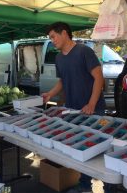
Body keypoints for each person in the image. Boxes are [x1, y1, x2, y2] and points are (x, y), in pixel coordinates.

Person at [42, 22, 106, 192]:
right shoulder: (58, 58)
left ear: (64, 33)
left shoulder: (84, 51)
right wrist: (50, 94)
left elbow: (99, 77)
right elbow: (62, 81)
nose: (52, 41)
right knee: (81, 147)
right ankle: (85, 186)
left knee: (99, 151)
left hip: (94, 111)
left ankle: (110, 187)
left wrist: (91, 104)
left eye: (53, 37)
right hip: (73, 112)